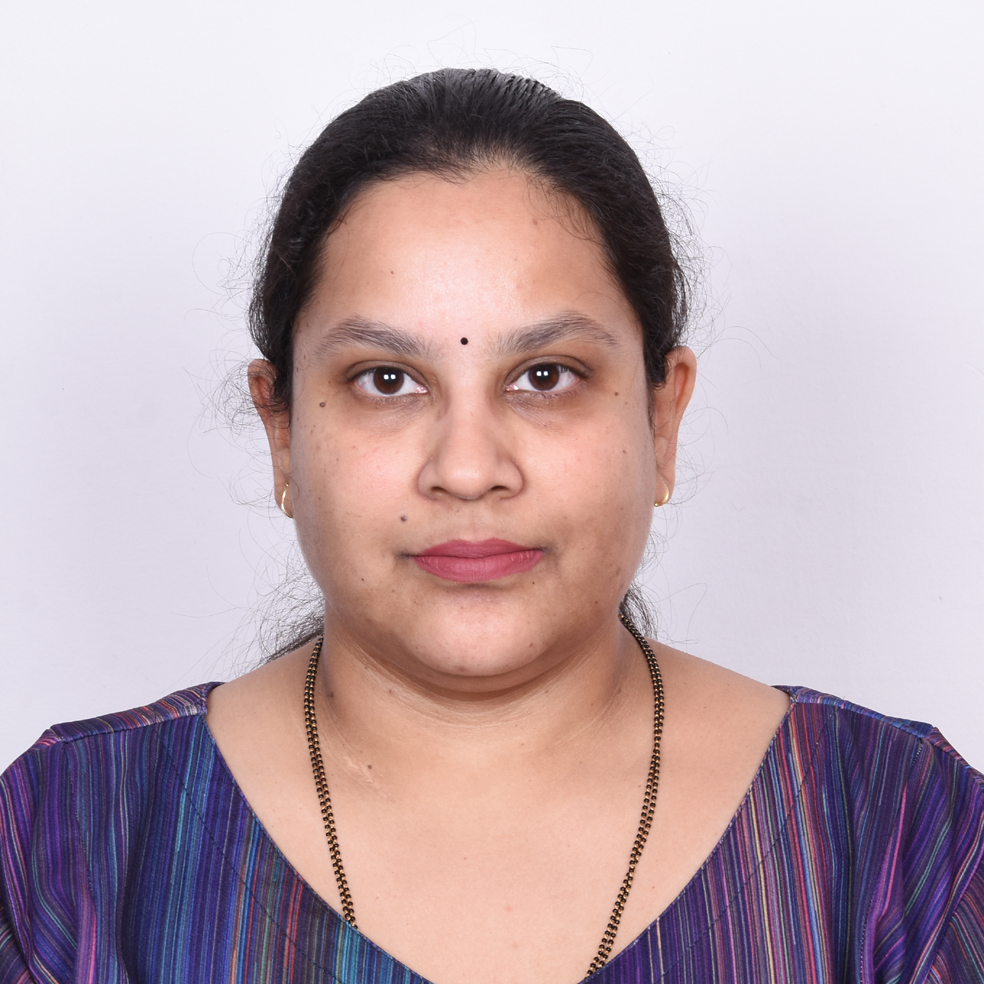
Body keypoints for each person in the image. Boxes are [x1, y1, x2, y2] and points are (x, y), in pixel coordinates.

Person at [1, 68, 982, 984]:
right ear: (284, 431)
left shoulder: (896, 840)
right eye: (387, 380)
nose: (469, 469)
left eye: (545, 376)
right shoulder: (72, 851)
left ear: (661, 417)